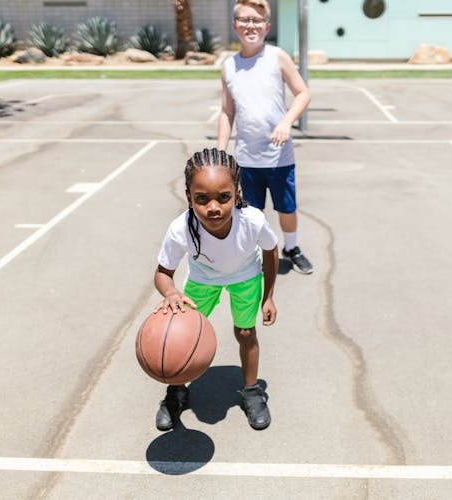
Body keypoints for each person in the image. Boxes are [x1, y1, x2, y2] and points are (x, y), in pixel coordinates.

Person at [153, 147, 279, 431]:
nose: (213, 207)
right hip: (203, 279)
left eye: (223, 197)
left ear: (236, 192)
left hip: (245, 276)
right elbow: (163, 273)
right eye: (202, 199)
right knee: (178, 336)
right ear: (189, 197)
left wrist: (268, 296)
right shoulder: (180, 229)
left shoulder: (252, 221)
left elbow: (271, 252)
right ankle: (176, 391)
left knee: (246, 332)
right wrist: (171, 293)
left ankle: (251, 390)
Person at [217, 0, 313, 274]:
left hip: (279, 156)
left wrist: (286, 122)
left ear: (267, 26)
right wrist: (221, 153)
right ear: (235, 25)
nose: (251, 25)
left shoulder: (276, 56)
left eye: (257, 20)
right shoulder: (228, 67)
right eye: (245, 20)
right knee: (250, 214)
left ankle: (291, 248)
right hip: (247, 158)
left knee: (286, 209)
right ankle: (253, 255)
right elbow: (227, 111)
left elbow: (303, 93)